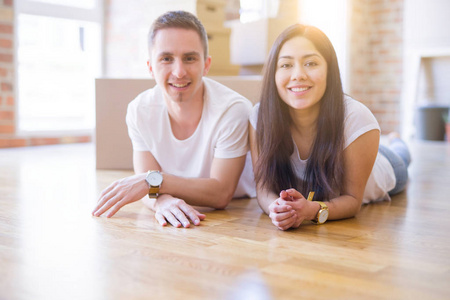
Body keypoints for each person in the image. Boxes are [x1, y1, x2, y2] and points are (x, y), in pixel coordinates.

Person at [92, 11, 255, 227]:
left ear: (206, 65)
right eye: (166, 59)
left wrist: (155, 181)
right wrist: (162, 201)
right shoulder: (139, 110)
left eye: (189, 58)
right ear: (150, 67)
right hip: (180, 217)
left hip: (239, 215)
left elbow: (221, 193)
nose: (179, 72)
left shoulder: (233, 109)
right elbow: (144, 184)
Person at [249, 24, 411, 231]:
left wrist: (311, 211)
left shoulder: (357, 117)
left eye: (310, 63)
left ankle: (397, 140)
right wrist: (277, 209)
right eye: (286, 65)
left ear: (329, 69)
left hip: (386, 167)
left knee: (402, 155)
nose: (298, 74)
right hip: (357, 151)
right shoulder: (259, 116)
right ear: (273, 73)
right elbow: (263, 191)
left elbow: (353, 201)